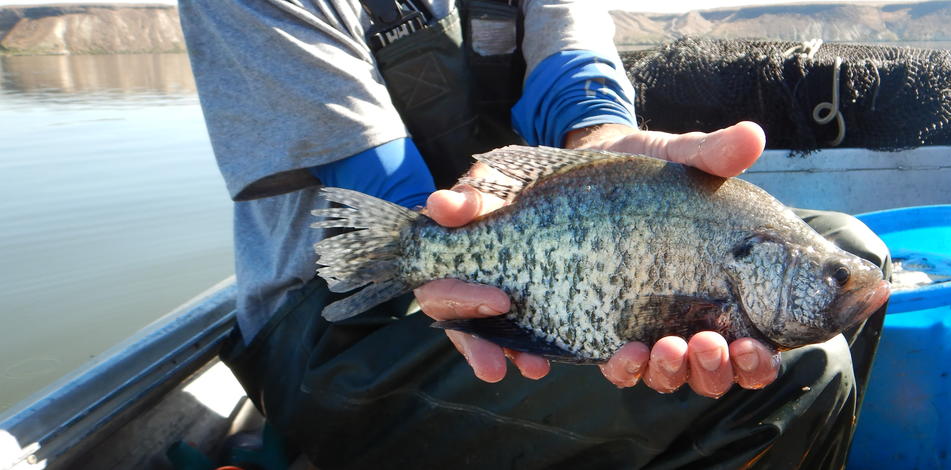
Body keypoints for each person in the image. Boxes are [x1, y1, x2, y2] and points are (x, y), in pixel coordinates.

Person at [178, 1, 890, 468]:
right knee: (803, 370)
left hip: (514, 262)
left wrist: (610, 151)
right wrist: (443, 249)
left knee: (857, 253)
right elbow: (373, 176)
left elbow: (575, 79)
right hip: (331, 327)